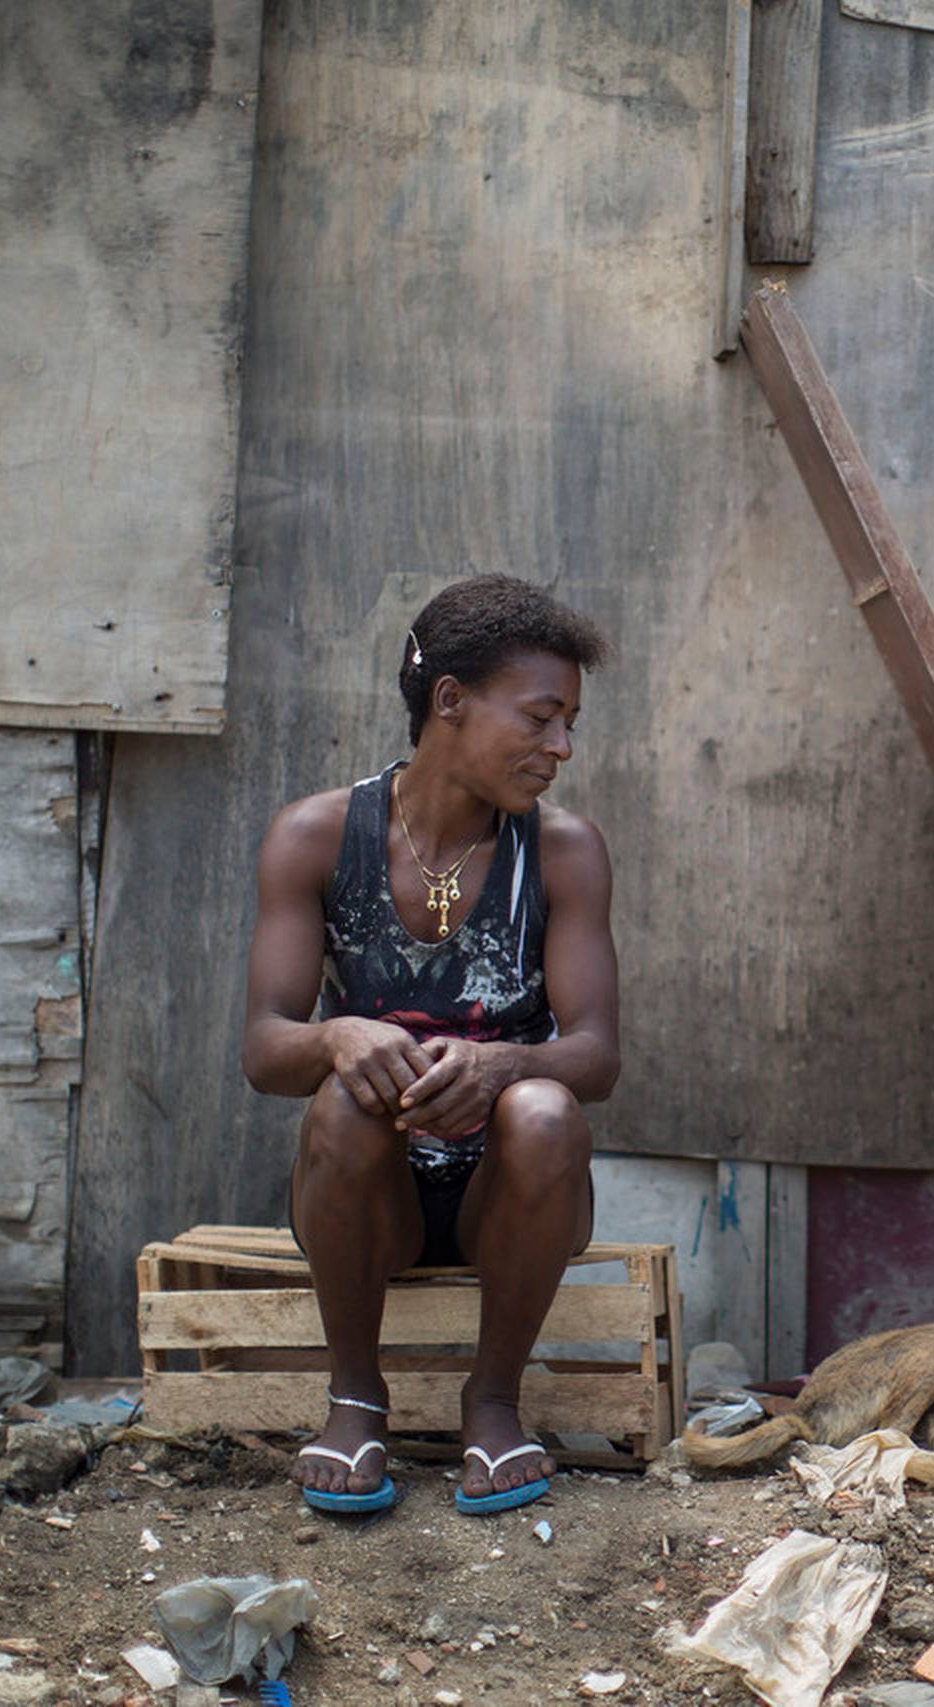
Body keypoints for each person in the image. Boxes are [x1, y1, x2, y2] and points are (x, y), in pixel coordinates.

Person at [240, 575, 618, 1515]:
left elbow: (599, 1056)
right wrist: (337, 1034)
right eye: (540, 718)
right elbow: (263, 1048)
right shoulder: (317, 836)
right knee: (342, 1093)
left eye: (569, 722)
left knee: (543, 1106)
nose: (560, 747)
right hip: (372, 1200)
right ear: (449, 700)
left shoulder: (563, 851)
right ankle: (355, 1397)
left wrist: (506, 1064)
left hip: (514, 1197)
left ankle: (491, 1402)